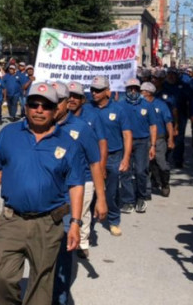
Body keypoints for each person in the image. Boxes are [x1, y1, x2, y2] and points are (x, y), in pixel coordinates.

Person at [0, 82, 85, 305]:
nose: (39, 109)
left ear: (56, 109)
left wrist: (75, 222)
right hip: (12, 221)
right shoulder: (8, 134)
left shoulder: (68, 143)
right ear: (26, 107)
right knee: (2, 278)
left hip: (48, 225)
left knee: (41, 284)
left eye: (46, 105)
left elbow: (76, 185)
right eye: (34, 104)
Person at [51, 81, 106, 304]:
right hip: (48, 195)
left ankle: (60, 297)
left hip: (77, 188)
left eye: (74, 96)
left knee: (65, 245)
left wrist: (101, 199)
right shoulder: (42, 125)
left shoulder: (82, 128)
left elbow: (94, 162)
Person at [82, 75, 133, 236]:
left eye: (98, 90)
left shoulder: (118, 109)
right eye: (92, 90)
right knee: (89, 192)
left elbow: (127, 135)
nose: (94, 93)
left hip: (113, 156)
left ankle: (114, 220)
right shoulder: (86, 108)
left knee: (111, 192)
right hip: (92, 157)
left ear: (107, 92)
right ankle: (87, 228)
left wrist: (126, 158)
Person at [65, 81, 108, 259]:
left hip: (86, 175)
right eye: (69, 96)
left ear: (83, 99)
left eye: (76, 96)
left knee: (82, 210)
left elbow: (102, 142)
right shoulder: (58, 117)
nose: (72, 99)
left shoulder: (92, 117)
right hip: (64, 175)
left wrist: (101, 167)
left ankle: (82, 242)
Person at [118, 78, 157, 214]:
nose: (133, 91)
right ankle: (128, 200)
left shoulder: (147, 105)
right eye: (130, 88)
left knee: (141, 171)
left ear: (139, 90)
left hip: (142, 142)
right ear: (126, 90)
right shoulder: (121, 105)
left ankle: (141, 197)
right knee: (125, 171)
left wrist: (153, 145)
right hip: (125, 142)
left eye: (135, 88)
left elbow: (153, 126)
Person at [144, 81, 176, 197]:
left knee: (161, 164)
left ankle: (165, 184)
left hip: (159, 139)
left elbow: (168, 123)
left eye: (143, 91)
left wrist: (171, 139)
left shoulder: (161, 105)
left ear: (149, 93)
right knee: (146, 165)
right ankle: (146, 189)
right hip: (144, 139)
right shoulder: (139, 104)